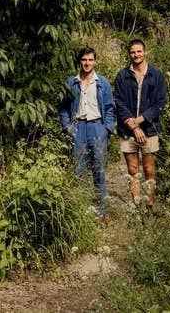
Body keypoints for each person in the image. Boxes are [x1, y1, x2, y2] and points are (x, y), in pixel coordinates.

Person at [58, 47, 116, 218]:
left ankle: (101, 211)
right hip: (78, 127)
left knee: (99, 169)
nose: (87, 63)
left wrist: (107, 129)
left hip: (97, 127)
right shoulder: (71, 82)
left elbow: (109, 108)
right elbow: (62, 107)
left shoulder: (102, 83)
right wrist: (67, 126)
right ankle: (82, 211)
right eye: (84, 60)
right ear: (80, 61)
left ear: (95, 61)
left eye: (90, 60)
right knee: (79, 170)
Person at [113, 38, 167, 210]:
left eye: (139, 51)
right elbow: (119, 103)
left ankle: (150, 205)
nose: (136, 55)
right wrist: (134, 126)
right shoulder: (122, 76)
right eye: (132, 52)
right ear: (129, 54)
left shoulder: (156, 75)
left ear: (145, 52)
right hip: (127, 130)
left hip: (149, 130)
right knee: (133, 169)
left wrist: (141, 120)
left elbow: (160, 102)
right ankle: (137, 207)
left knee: (149, 169)